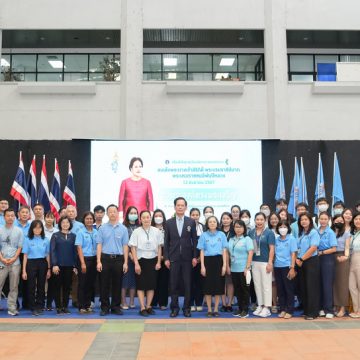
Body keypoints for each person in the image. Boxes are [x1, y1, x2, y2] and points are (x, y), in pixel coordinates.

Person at [164, 197, 197, 318]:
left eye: (182, 205)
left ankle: (187, 308)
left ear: (185, 207)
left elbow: (194, 240)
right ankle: (174, 308)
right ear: (174, 207)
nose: (180, 207)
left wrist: (195, 257)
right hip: (173, 258)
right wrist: (166, 258)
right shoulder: (168, 222)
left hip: (188, 259)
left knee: (188, 284)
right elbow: (166, 242)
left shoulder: (191, 222)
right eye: (178, 205)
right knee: (174, 285)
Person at [96, 204, 129, 316]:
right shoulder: (102, 228)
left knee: (117, 284)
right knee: (104, 284)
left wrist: (125, 262)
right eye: (110, 211)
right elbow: (99, 245)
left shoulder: (123, 229)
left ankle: (115, 307)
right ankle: (104, 307)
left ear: (117, 212)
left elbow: (125, 246)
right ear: (107, 213)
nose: (112, 213)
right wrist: (98, 261)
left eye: (114, 211)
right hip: (105, 259)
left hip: (119, 259)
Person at [129, 210, 162, 316]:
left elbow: (159, 247)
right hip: (141, 260)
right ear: (141, 219)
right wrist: (136, 263)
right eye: (144, 217)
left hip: (153, 260)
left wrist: (158, 262)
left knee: (151, 285)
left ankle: (148, 306)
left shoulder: (157, 231)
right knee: (141, 285)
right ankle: (142, 307)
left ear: (150, 218)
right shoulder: (136, 231)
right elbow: (133, 248)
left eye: (148, 217)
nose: (146, 219)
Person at [198, 216, 227, 317]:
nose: (212, 223)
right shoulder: (203, 235)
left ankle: (216, 309)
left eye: (214, 221)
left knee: (218, 286)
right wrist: (202, 266)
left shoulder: (222, 234)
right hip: (207, 262)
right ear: (207, 224)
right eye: (210, 222)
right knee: (208, 287)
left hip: (219, 261)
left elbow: (224, 250)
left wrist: (224, 265)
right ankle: (209, 309)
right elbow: (201, 251)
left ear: (217, 223)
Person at [249, 212, 275, 318]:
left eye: (261, 219)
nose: (259, 221)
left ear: (265, 220)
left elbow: (272, 248)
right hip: (254, 262)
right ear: (254, 221)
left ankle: (267, 307)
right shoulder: (251, 232)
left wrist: (270, 262)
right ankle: (260, 305)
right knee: (257, 285)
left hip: (265, 262)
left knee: (266, 285)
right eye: (257, 219)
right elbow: (251, 248)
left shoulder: (269, 233)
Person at [22, 220, 51, 316]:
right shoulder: (27, 239)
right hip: (31, 263)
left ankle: (40, 305)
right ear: (32, 229)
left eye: (39, 227)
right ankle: (32, 306)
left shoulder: (46, 240)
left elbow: (47, 255)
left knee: (41, 285)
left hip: (43, 263)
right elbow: (25, 256)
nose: (37, 229)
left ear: (42, 229)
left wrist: (49, 268)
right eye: (35, 227)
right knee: (31, 286)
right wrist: (24, 271)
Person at [296, 213, 320, 320]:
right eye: (302, 220)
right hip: (301, 263)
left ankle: (313, 312)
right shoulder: (301, 233)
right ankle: (306, 310)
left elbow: (313, 248)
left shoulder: (314, 232)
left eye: (306, 219)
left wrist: (301, 259)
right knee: (303, 287)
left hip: (310, 262)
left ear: (310, 221)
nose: (304, 221)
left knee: (311, 287)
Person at [50, 216, 77, 315]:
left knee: (67, 287)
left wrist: (75, 266)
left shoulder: (73, 236)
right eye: (63, 222)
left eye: (67, 222)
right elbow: (52, 251)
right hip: (58, 266)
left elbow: (75, 252)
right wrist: (54, 264)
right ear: (60, 224)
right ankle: (58, 307)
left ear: (70, 224)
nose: (65, 224)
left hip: (69, 266)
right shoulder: (55, 235)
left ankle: (65, 306)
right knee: (57, 287)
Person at [0, 208, 24, 316]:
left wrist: (14, 258)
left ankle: (12, 308)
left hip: (15, 263)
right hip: (2, 262)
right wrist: (2, 259)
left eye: (12, 216)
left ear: (15, 217)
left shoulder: (19, 231)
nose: (10, 217)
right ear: (4, 217)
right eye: (8, 215)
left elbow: (20, 247)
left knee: (14, 286)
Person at [228, 220, 253, 318]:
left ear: (244, 228)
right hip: (234, 268)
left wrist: (247, 267)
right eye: (236, 227)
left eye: (240, 227)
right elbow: (228, 253)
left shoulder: (247, 239)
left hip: (244, 269)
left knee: (245, 290)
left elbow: (250, 253)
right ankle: (240, 308)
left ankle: (245, 309)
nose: (238, 229)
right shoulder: (231, 239)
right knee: (237, 290)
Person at [274, 220, 297, 319]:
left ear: (288, 228)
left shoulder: (291, 239)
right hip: (277, 267)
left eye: (284, 227)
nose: (282, 229)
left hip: (287, 267)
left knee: (289, 289)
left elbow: (293, 254)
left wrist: (292, 267)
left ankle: (289, 310)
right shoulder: (276, 239)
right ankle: (282, 309)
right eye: (280, 227)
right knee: (280, 289)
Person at [75, 211, 97, 314]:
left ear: (94, 220)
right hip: (84, 259)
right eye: (87, 219)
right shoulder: (80, 232)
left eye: (91, 219)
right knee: (82, 283)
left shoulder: (96, 232)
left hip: (94, 259)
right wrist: (83, 263)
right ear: (84, 220)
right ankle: (81, 306)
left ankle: (88, 305)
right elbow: (79, 248)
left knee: (90, 283)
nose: (89, 220)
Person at [317, 211, 337, 318]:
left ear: (328, 219)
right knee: (319, 284)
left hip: (327, 258)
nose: (323, 221)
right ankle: (321, 308)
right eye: (321, 219)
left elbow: (334, 248)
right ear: (318, 219)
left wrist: (322, 252)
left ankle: (329, 309)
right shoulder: (316, 231)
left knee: (327, 285)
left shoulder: (330, 232)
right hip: (317, 259)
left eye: (325, 219)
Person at [331, 214, 350, 317]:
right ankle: (335, 305)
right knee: (333, 283)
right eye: (337, 221)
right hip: (331, 257)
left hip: (342, 257)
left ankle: (342, 307)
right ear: (333, 221)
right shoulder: (330, 232)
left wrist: (345, 256)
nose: (339, 222)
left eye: (341, 221)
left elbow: (347, 246)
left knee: (342, 283)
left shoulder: (346, 233)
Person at [121, 206, 139, 309]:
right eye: (131, 213)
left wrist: (135, 256)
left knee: (133, 281)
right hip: (126, 258)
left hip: (137, 258)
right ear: (127, 214)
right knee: (125, 281)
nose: (133, 214)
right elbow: (124, 244)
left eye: (135, 213)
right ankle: (123, 302)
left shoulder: (140, 227)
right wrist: (130, 255)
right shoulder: (123, 227)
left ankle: (132, 301)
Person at [151, 209, 169, 310]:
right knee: (153, 281)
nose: (158, 217)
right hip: (152, 256)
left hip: (165, 257)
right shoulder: (150, 228)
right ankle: (153, 302)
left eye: (160, 215)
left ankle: (163, 303)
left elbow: (170, 243)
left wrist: (164, 256)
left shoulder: (168, 228)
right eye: (156, 215)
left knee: (164, 281)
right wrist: (157, 256)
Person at [189, 208, 204, 312]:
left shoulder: (203, 227)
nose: (195, 216)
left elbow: (204, 244)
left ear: (199, 216)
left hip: (200, 259)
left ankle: (199, 302)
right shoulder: (187, 226)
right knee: (189, 282)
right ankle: (190, 303)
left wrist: (199, 258)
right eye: (193, 215)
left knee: (199, 282)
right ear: (190, 216)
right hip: (188, 259)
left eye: (197, 214)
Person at [220, 211, 235, 312]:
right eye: (223, 218)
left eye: (227, 218)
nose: (225, 220)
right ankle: (223, 304)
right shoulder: (217, 231)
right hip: (219, 260)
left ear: (231, 220)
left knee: (230, 283)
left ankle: (229, 303)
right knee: (221, 283)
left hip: (232, 260)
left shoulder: (235, 231)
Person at [44, 211, 58, 311]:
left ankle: (50, 303)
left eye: (51, 217)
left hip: (53, 260)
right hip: (41, 259)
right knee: (41, 283)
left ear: (54, 219)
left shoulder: (57, 231)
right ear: (44, 218)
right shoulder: (40, 230)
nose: (49, 219)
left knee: (53, 283)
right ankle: (40, 303)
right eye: (47, 217)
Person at [349, 211, 360, 318]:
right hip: (352, 260)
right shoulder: (353, 233)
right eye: (356, 219)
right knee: (352, 286)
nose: (358, 221)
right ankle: (356, 310)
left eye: (359, 219)